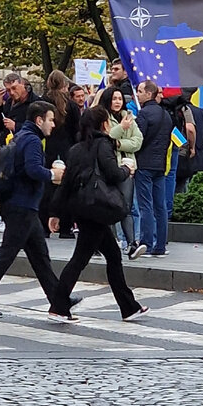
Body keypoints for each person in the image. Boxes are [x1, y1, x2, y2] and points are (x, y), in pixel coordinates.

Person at [0, 101, 66, 317]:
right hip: (22, 206)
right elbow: (32, 170)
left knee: (40, 257)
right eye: (50, 120)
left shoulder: (21, 136)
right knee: (7, 255)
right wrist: (52, 175)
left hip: (22, 205)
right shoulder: (32, 141)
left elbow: (14, 172)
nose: (53, 125)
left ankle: (59, 302)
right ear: (39, 120)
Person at [48, 105, 148, 322]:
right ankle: (59, 305)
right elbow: (112, 174)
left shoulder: (75, 149)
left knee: (112, 255)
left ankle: (128, 306)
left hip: (82, 208)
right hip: (97, 209)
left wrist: (55, 212)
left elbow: (65, 183)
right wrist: (127, 170)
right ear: (104, 124)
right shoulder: (103, 144)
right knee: (80, 259)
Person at [98, 85, 144, 258]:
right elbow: (106, 137)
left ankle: (132, 243)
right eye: (114, 99)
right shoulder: (102, 117)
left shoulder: (129, 116)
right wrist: (122, 129)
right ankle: (110, 241)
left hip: (127, 166)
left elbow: (137, 141)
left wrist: (119, 144)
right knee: (109, 204)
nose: (117, 102)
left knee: (126, 206)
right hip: (109, 166)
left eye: (120, 99)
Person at [134, 79, 173, 257]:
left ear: (149, 94)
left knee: (145, 205)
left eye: (141, 91)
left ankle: (146, 244)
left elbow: (138, 140)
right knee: (160, 206)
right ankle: (161, 246)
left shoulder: (143, 114)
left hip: (144, 163)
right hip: (160, 164)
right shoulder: (166, 115)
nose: (138, 94)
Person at [40, 70, 81, 238]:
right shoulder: (71, 105)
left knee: (47, 186)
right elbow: (77, 129)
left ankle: (44, 226)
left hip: (48, 148)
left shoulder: (43, 102)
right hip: (67, 149)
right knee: (66, 187)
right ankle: (66, 227)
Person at [0, 72, 40, 144]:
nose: (12, 93)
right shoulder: (9, 102)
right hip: (7, 147)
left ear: (23, 86)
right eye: (8, 90)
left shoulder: (36, 103)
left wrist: (15, 126)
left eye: (14, 88)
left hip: (25, 147)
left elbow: (39, 129)